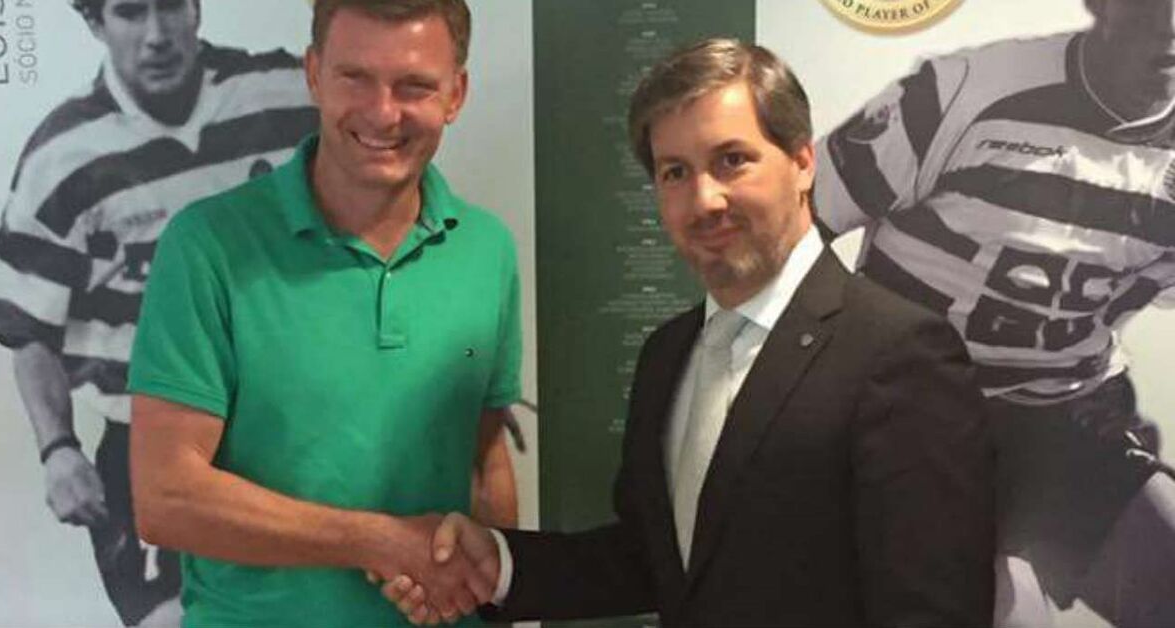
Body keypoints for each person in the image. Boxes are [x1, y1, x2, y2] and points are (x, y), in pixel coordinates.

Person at [383, 39, 995, 627]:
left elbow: (932, 613)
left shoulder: (901, 355)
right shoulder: (668, 355)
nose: (704, 200)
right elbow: (653, 561)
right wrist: (499, 565)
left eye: (732, 160)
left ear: (803, 162)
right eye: (675, 172)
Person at [124, 0, 520, 626]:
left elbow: (483, 459)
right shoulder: (207, 246)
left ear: (456, 95)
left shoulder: (487, 249)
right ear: (313, 74)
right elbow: (167, 498)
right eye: (355, 78)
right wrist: (379, 541)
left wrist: (489, 593)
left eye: (413, 86)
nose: (382, 112)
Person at [813, 0, 1175, 625]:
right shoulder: (961, 93)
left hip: (1067, 418)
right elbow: (790, 232)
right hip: (921, 413)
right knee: (1012, 615)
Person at [0, 0, 315, 624]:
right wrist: (58, 450)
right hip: (153, 447)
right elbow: (27, 331)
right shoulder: (63, 156)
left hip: (294, 432)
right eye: (131, 12)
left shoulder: (285, 93)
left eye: (170, 6)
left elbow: (380, 192)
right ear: (95, 23)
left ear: (196, 10)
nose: (157, 35)